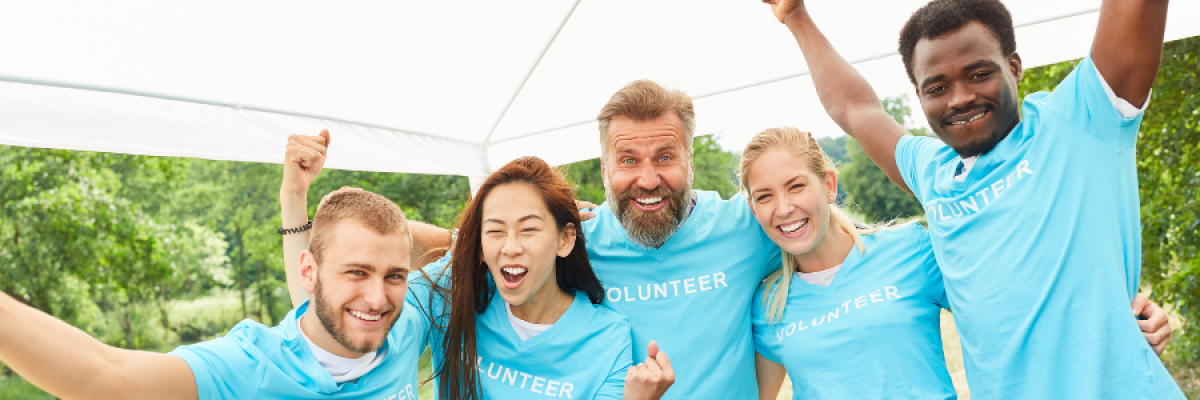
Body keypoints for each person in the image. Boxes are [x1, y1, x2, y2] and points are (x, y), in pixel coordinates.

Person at [402, 77, 1173, 398]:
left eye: (664, 156)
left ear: (691, 156)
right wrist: (435, 235)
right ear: (601, 166)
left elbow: (980, 257)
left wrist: (1117, 306)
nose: (647, 177)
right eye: (627, 160)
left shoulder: (746, 223)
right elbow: (498, 242)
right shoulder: (576, 240)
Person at [764, 0, 1182, 398]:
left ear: (1014, 67)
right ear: (920, 96)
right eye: (937, 86)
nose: (960, 97)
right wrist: (796, 16)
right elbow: (854, 107)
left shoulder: (1083, 119)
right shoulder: (931, 173)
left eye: (979, 74)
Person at [280, 134, 674, 399]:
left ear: (565, 239)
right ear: (480, 248)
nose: (511, 247)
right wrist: (294, 197)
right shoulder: (450, 295)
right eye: (495, 231)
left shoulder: (608, 338)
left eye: (530, 230)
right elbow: (324, 320)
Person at [0, 188, 425, 400]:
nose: (376, 298)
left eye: (394, 275)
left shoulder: (412, 321)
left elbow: (475, 245)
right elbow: (102, 374)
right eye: (356, 272)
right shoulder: (247, 365)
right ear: (309, 272)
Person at [742, 127, 955, 399]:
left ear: (829, 185)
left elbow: (998, 327)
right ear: (753, 209)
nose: (783, 208)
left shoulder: (911, 248)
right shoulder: (768, 305)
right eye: (765, 196)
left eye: (796, 186)